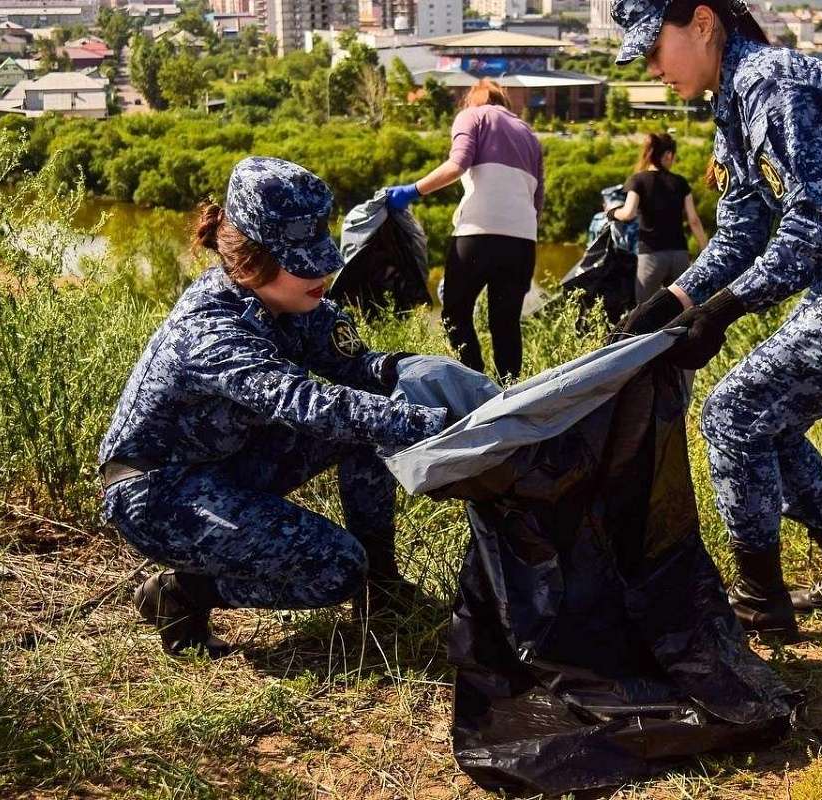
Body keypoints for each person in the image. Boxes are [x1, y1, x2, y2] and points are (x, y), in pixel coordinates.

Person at [610, 0, 822, 641]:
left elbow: (813, 224)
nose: (652, 65)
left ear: (703, 22)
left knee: (733, 412)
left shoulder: (770, 83)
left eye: (655, 46)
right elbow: (741, 232)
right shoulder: (733, 97)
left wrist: (721, 313)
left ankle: (758, 603)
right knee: (769, 420)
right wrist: (673, 303)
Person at [99, 157, 448, 657]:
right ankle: (186, 593)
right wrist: (427, 423)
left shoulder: (296, 302)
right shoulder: (210, 331)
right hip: (158, 492)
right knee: (336, 570)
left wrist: (418, 375)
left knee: (372, 418)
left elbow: (356, 370)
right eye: (301, 259)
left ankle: (382, 585)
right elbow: (305, 402)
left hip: (227, 463)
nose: (326, 268)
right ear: (249, 260)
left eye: (321, 251)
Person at [381, 79, 544, 383]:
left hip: (477, 233)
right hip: (523, 241)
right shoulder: (529, 134)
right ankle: (510, 394)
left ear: (473, 98)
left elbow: (457, 165)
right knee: (505, 322)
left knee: (455, 313)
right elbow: (538, 200)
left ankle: (473, 384)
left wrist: (410, 191)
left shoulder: (472, 115)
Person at [609, 132, 710, 303]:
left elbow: (629, 213)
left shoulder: (638, 180)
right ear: (668, 155)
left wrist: (611, 212)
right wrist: (705, 250)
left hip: (651, 256)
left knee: (643, 313)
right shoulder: (680, 182)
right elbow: (693, 220)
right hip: (679, 255)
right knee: (682, 312)